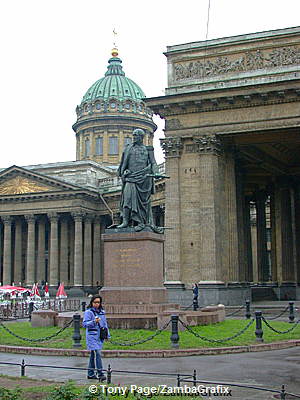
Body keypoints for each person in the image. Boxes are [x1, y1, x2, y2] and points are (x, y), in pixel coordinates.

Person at [117, 128, 159, 231]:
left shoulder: (148, 149)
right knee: (127, 200)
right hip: (131, 178)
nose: (134, 137)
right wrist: (125, 172)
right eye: (133, 135)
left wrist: (156, 172)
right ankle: (125, 221)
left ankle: (141, 222)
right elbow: (123, 165)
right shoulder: (128, 149)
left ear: (142, 137)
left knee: (143, 203)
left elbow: (153, 163)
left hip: (144, 179)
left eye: (136, 135)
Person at [83, 295, 110, 381]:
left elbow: (105, 325)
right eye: (95, 302)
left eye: (98, 302)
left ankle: (90, 373)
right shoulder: (89, 312)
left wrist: (107, 335)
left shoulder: (102, 312)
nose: (97, 304)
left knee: (92, 355)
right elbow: (85, 324)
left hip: (99, 336)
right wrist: (94, 321)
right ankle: (100, 373)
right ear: (92, 302)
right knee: (97, 353)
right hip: (92, 336)